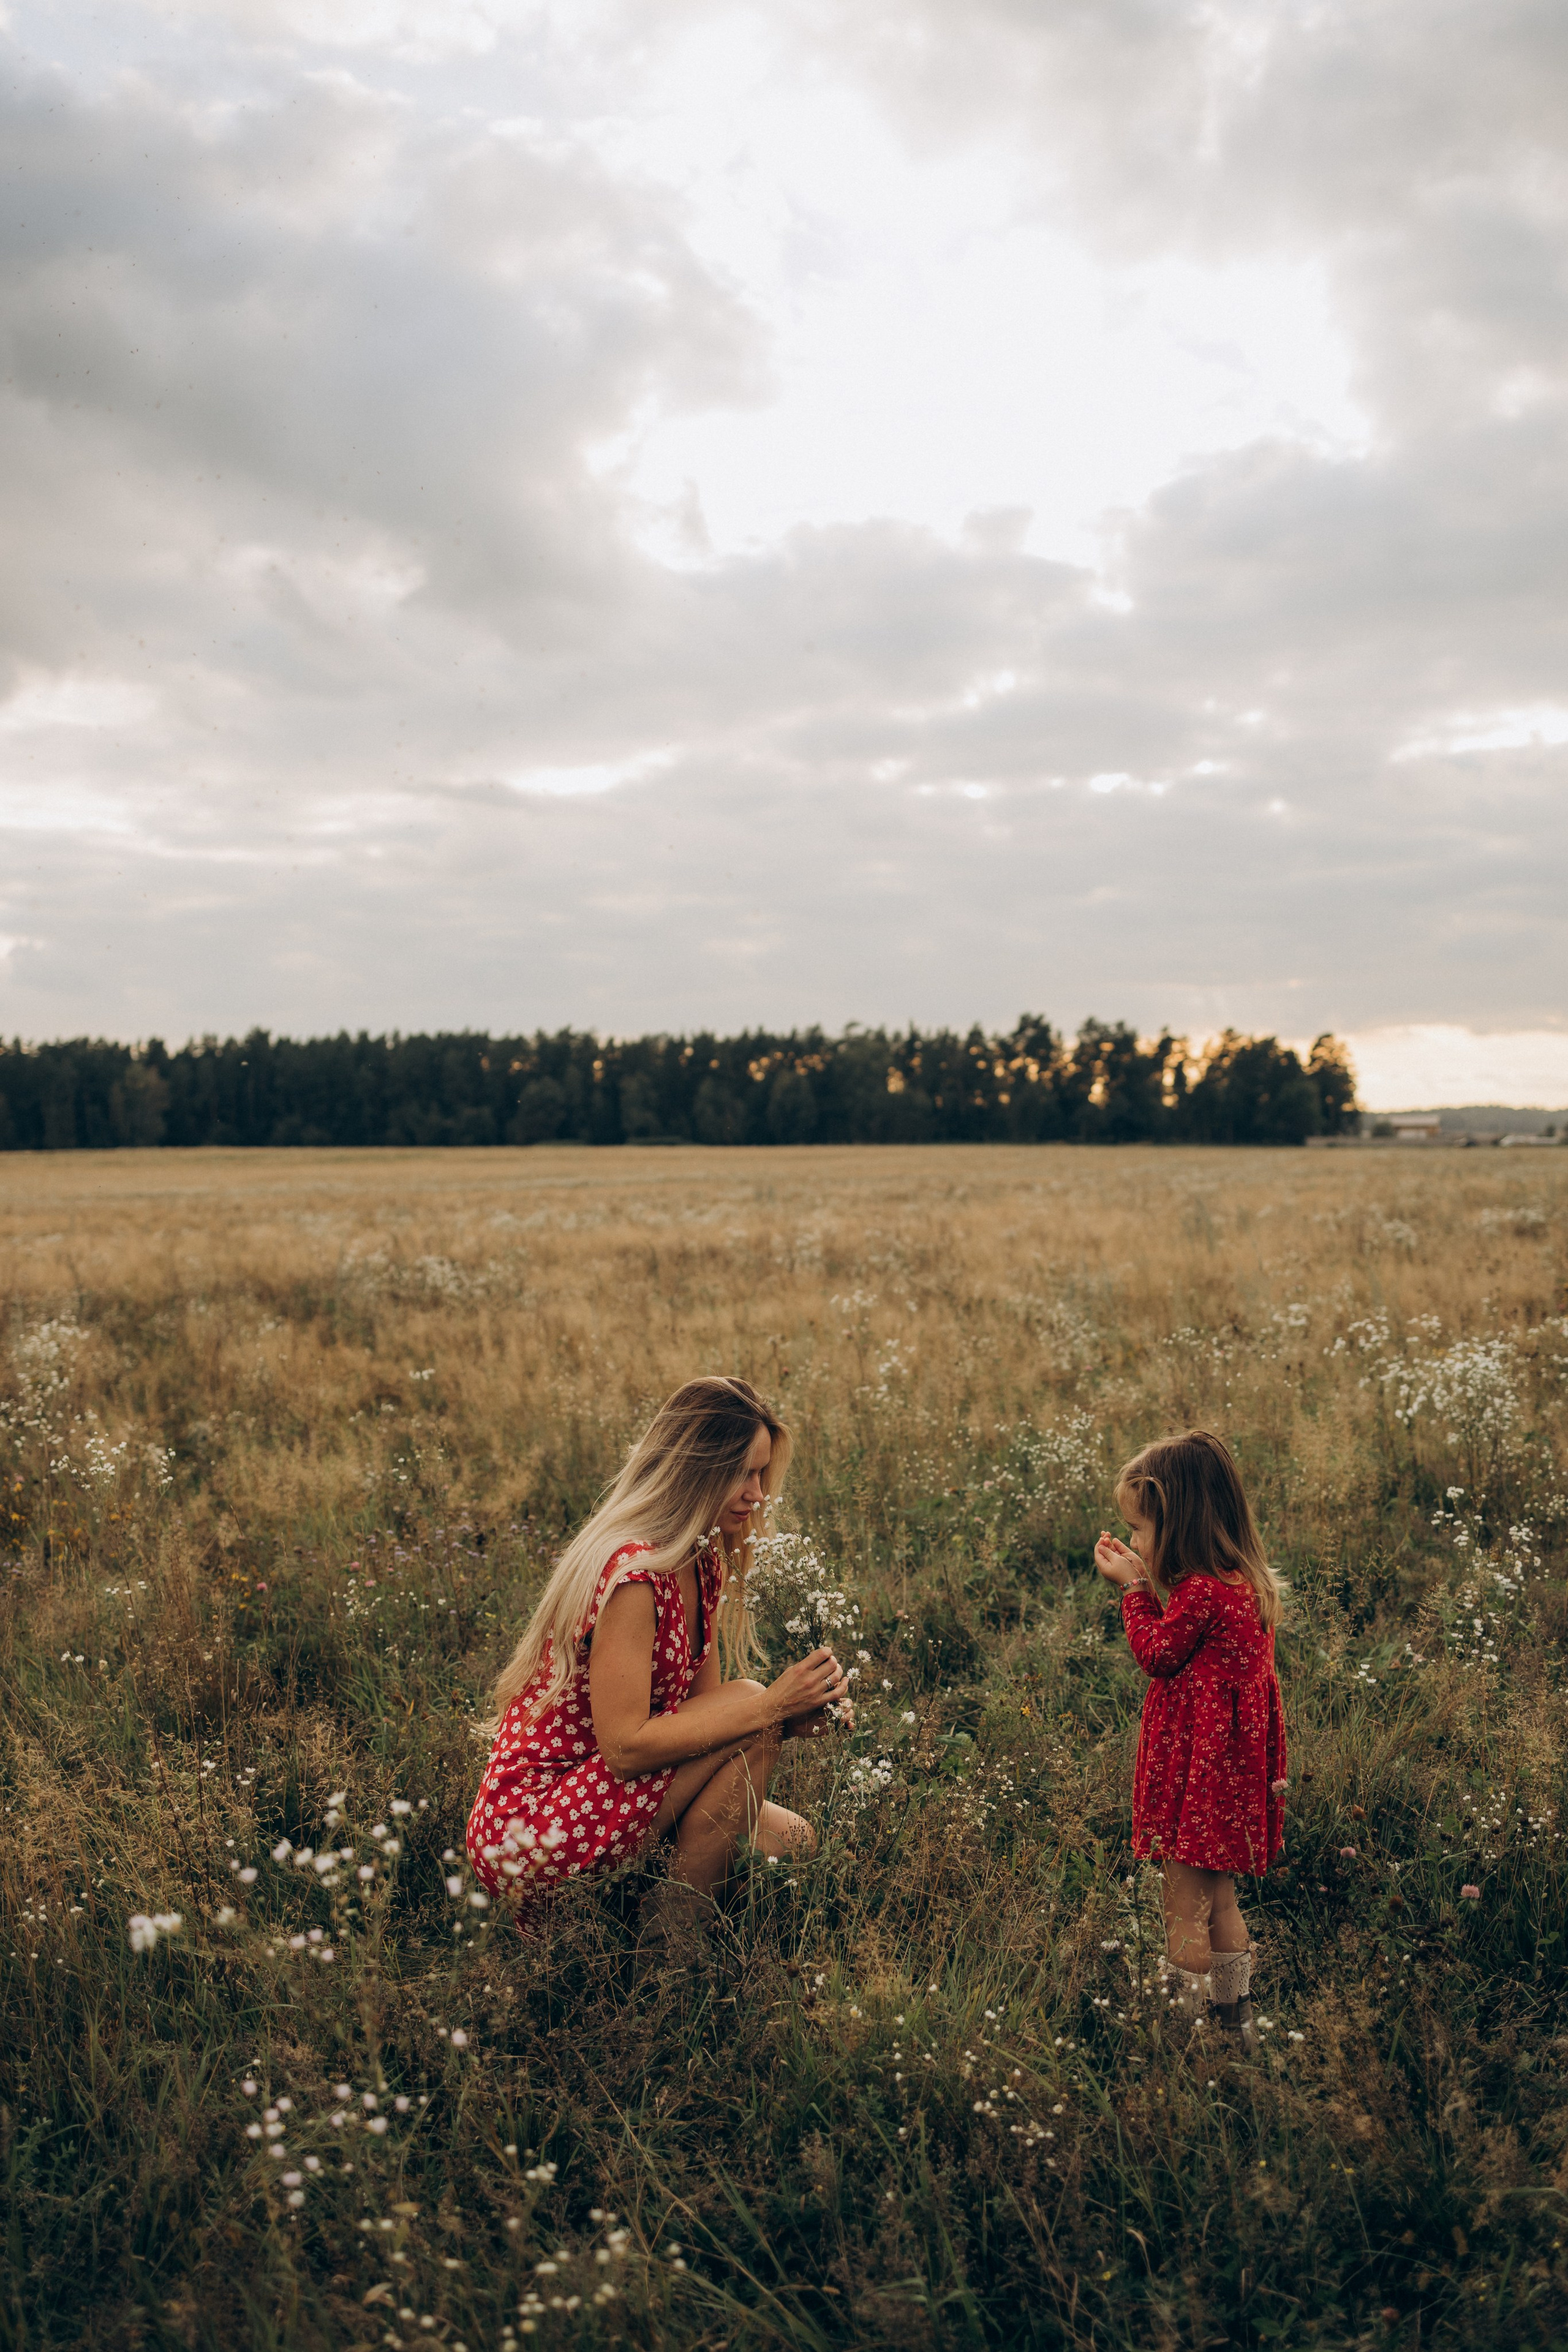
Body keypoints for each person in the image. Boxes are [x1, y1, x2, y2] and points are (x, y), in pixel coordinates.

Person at [467, 1376, 849, 1957]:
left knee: (797, 1842)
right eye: (742, 1474)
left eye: (762, 1475)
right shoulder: (635, 1579)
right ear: (695, 1471)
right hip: (532, 1828)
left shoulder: (700, 1561)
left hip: (609, 1796)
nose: (757, 1494)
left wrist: (785, 1721)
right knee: (753, 1703)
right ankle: (668, 1950)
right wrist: (769, 1706)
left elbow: (708, 1726)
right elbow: (625, 1748)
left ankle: (645, 1899)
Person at [1093, 1429, 1286, 2048]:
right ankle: (1236, 2026)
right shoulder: (1241, 1584)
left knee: (1182, 1911)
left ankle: (1182, 2041)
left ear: (1179, 1526)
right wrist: (1147, 1577)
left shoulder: (1198, 1593)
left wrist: (1131, 1591)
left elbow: (1157, 1653)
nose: (1138, 1542)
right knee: (1221, 1903)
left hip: (1196, 1784)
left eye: (1143, 1531)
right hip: (1231, 1782)